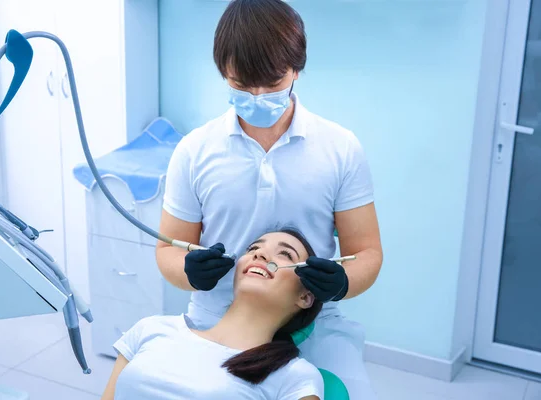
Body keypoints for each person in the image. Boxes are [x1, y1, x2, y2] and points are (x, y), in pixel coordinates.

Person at [156, 0, 383, 397]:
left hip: (309, 319)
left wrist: (342, 281)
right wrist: (188, 272)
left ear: (296, 69)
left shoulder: (340, 148)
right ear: (223, 72)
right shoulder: (194, 151)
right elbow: (167, 250)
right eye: (241, 85)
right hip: (216, 315)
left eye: (272, 84)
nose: (258, 96)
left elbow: (366, 253)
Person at [102, 229, 324, 400]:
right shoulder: (151, 330)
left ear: (305, 297)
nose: (260, 253)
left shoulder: (295, 377)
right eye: (253, 248)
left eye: (285, 254)